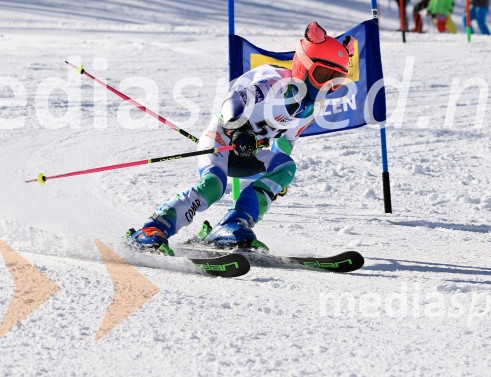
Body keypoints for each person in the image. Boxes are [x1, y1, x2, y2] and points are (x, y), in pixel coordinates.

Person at [126, 22, 353, 253]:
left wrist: (275, 181)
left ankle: (233, 224)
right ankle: (153, 228)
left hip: (248, 153)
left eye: (336, 81)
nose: (326, 86)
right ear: (303, 65)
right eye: (323, 75)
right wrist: (238, 130)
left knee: (286, 167)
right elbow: (233, 101)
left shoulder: (312, 109)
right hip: (221, 139)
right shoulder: (274, 82)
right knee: (212, 187)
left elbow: (286, 142)